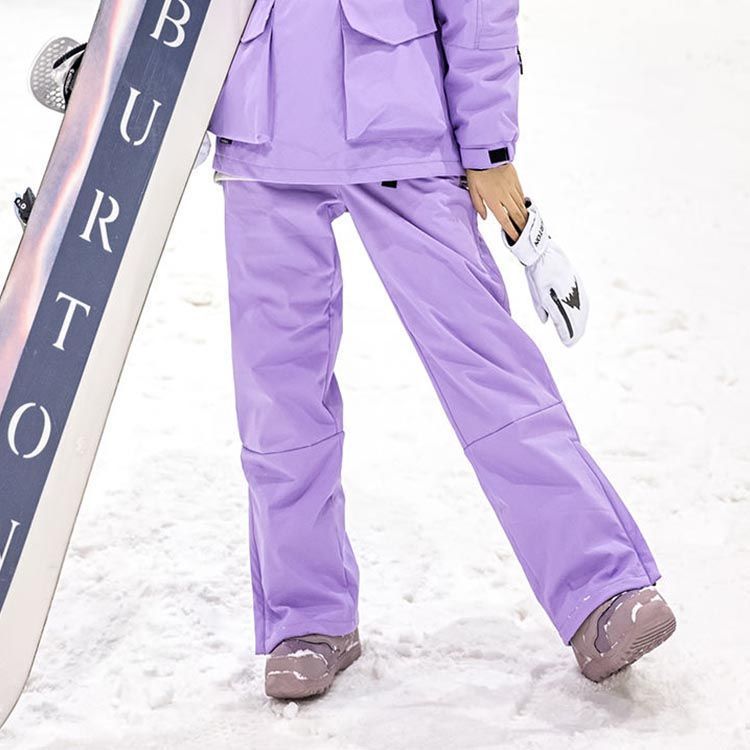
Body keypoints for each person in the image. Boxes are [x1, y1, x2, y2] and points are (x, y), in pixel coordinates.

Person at [208, 0, 676, 700]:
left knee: (486, 368)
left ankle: (600, 587)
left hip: (402, 124)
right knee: (277, 392)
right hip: (261, 136)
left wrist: (489, 147)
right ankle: (305, 616)